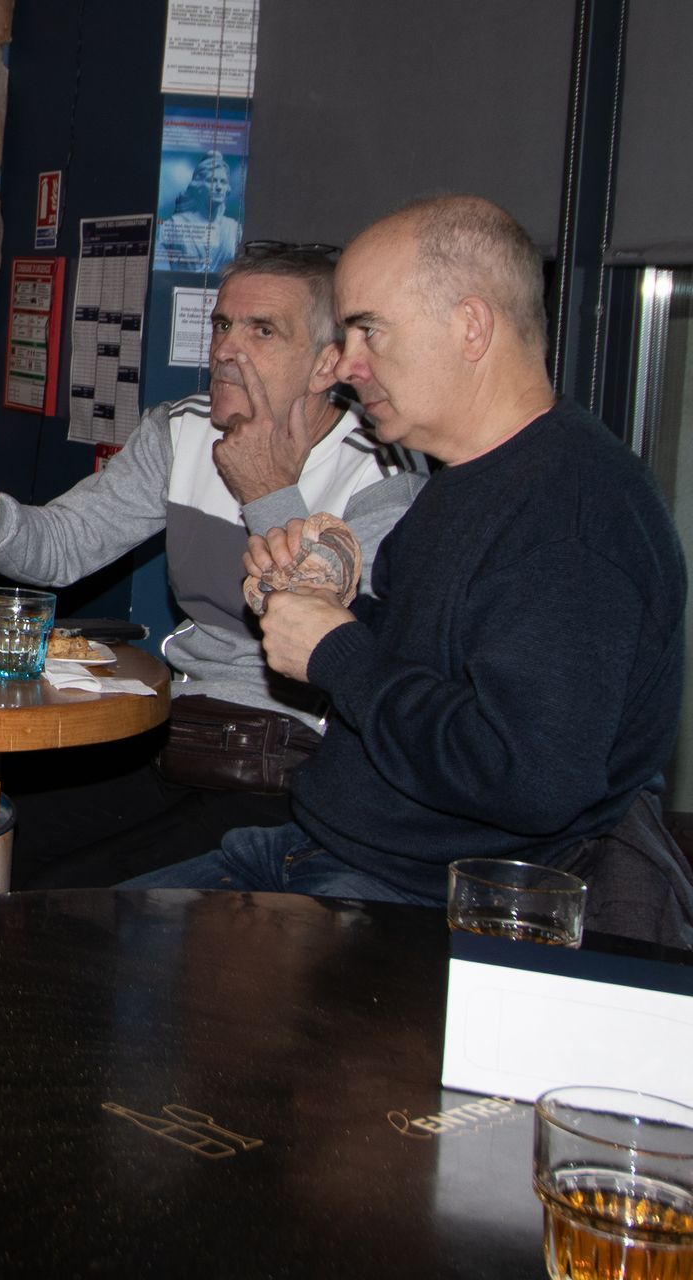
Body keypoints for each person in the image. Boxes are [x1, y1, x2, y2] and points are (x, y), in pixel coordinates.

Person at [131, 195, 691, 946]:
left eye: (370, 330)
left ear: (470, 327)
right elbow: (424, 664)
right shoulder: (464, 482)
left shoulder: (573, 517)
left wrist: (335, 648)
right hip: (321, 849)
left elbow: (527, 776)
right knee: (60, 946)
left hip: (420, 898)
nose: (347, 363)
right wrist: (324, 608)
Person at [0, 243, 426, 886]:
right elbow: (67, 542)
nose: (226, 349)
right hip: (178, 728)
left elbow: (324, 636)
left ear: (326, 363)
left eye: (262, 330)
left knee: (80, 892)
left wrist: (268, 493)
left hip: (294, 764)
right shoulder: (181, 431)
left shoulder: (382, 475)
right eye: (223, 324)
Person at [155, 150, 243, 274]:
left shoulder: (233, 228)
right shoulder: (175, 224)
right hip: (180, 284)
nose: (218, 187)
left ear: (227, 188)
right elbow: (160, 267)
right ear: (199, 186)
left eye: (223, 182)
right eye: (212, 181)